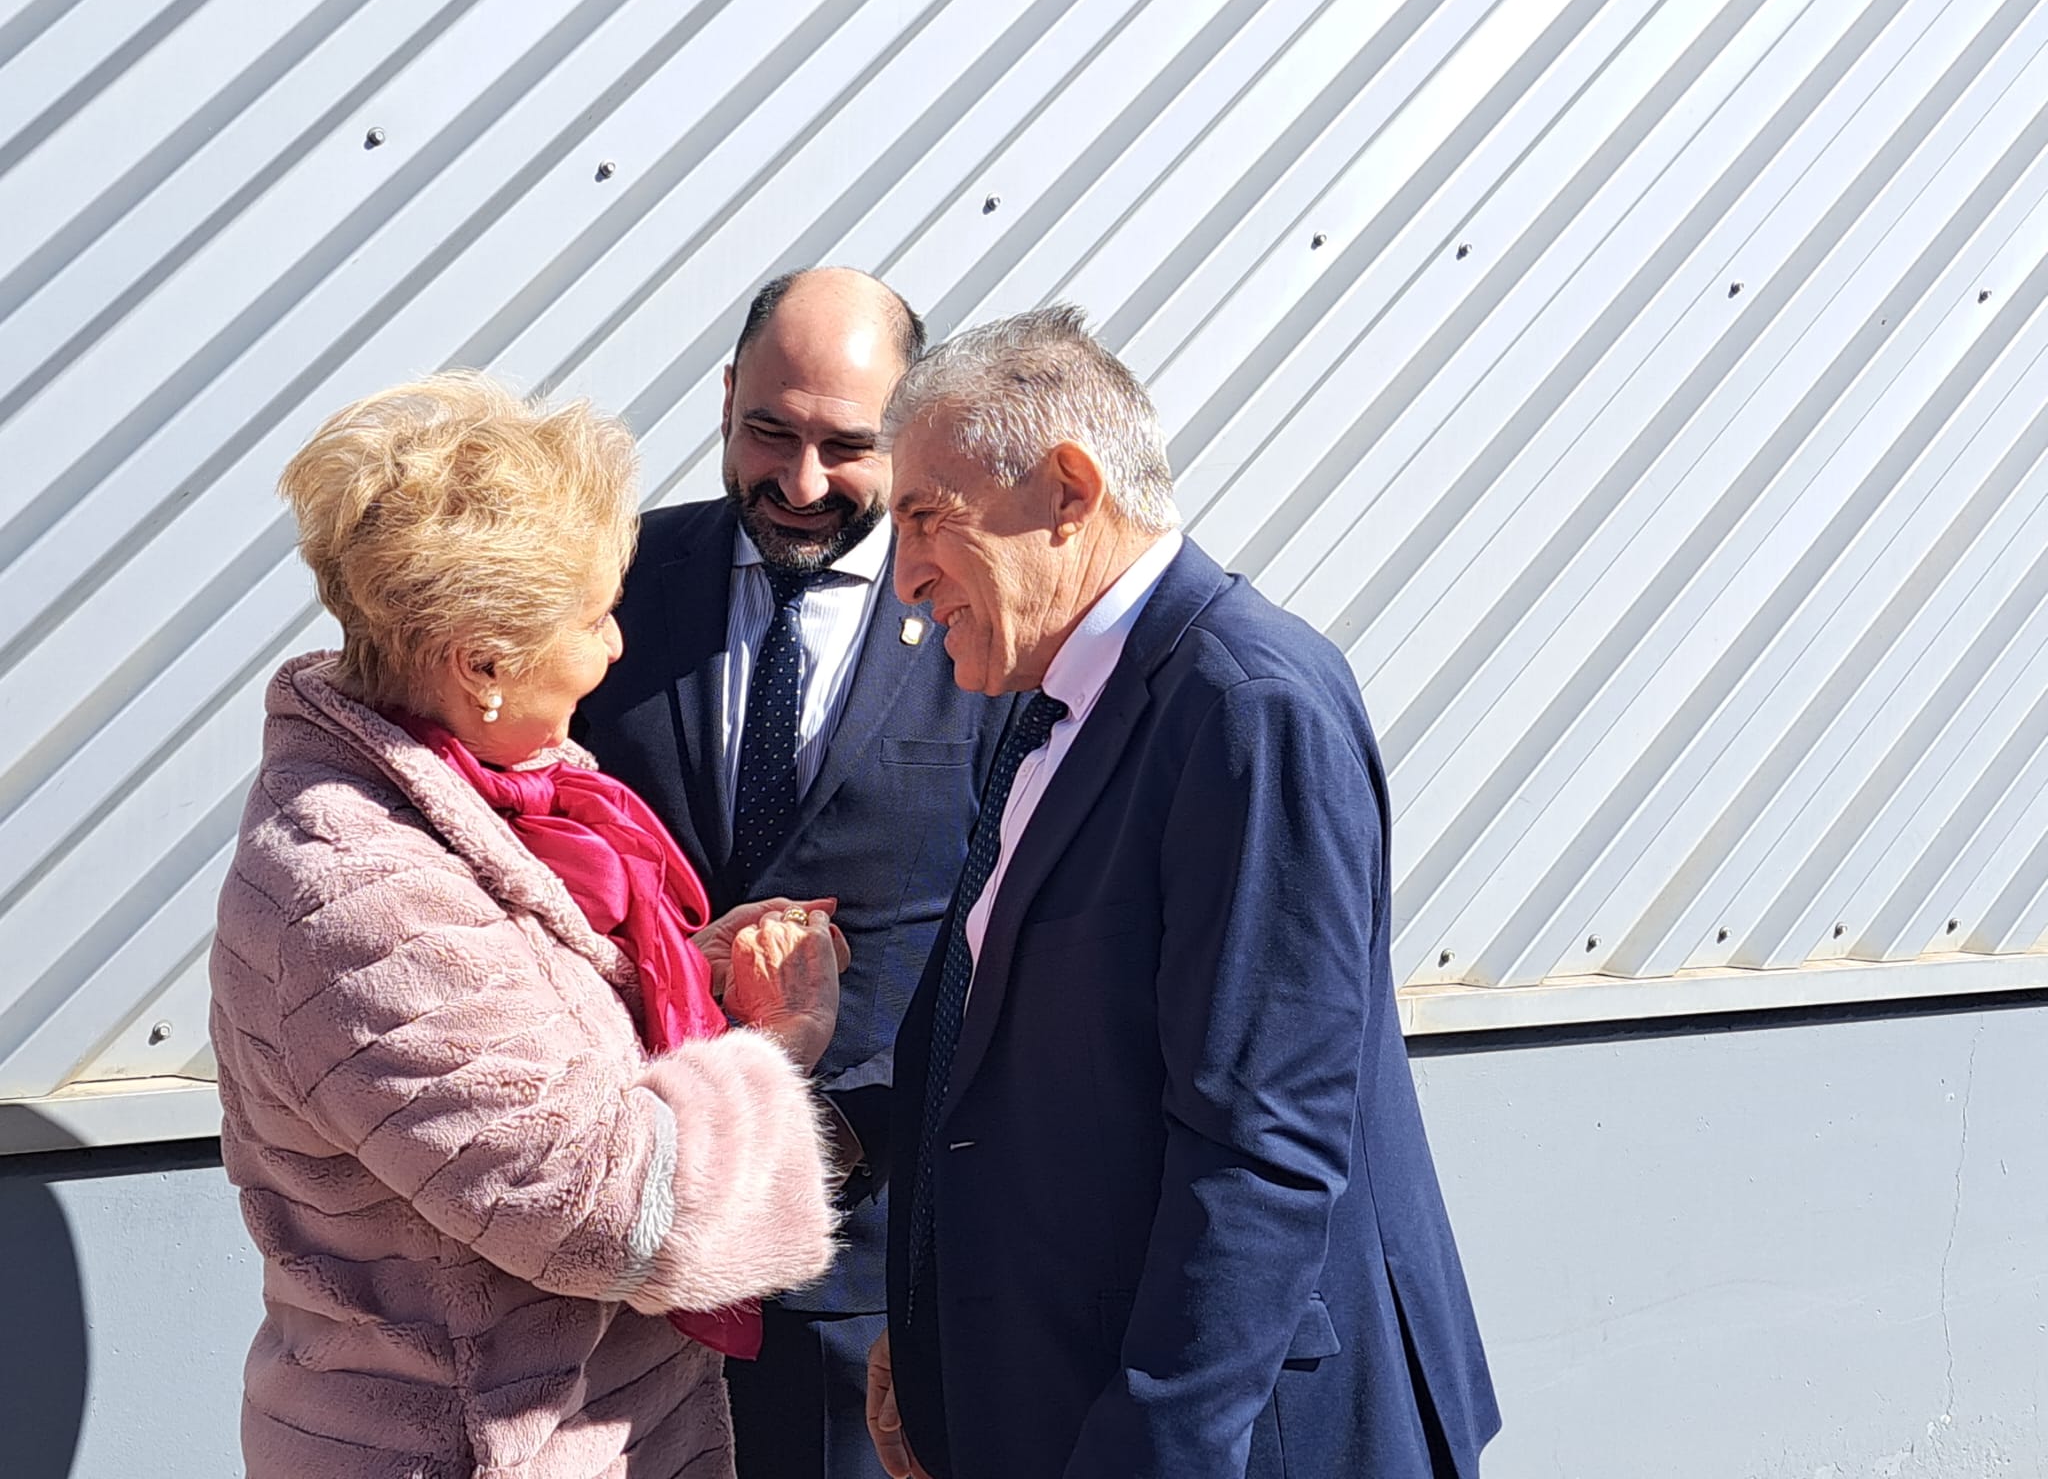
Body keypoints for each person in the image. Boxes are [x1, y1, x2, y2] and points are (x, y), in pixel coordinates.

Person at [864, 307, 1501, 1479]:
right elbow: (1005, 1064)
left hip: (1223, 1435)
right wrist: (928, 1317)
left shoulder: (1245, 707)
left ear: (1066, 488)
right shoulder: (1055, 702)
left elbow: (1261, 1146)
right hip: (1053, 1394)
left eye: (922, 518)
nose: (901, 580)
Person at [210, 371, 848, 1479]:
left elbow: (520, 1040)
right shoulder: (357, 893)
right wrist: (773, 1051)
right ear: (483, 666)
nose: (613, 650)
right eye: (594, 617)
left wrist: (687, 980)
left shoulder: (476, 803)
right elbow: (605, 1206)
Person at [574, 268, 1014, 1479]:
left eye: (846, 447)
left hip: (854, 1255)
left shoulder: (983, 621)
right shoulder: (607, 588)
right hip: (620, 1241)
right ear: (723, 399)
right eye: (770, 431)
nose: (802, 483)